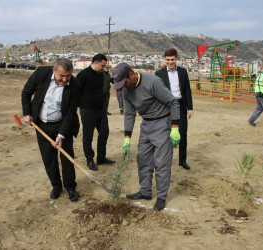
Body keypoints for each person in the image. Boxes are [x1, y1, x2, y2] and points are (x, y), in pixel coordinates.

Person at [112, 62, 181, 211]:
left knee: (161, 162)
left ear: (131, 74)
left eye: (124, 82)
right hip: (146, 125)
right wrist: (127, 139)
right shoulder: (126, 90)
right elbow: (129, 114)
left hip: (163, 122)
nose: (123, 86)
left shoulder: (153, 82)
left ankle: (161, 197)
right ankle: (145, 191)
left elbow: (173, 102)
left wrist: (175, 127)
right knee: (143, 159)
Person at [21, 58, 80, 202]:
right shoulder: (41, 73)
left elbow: (71, 112)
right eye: (62, 76)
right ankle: (56, 186)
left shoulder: (75, 84)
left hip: (62, 124)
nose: (65, 79)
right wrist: (28, 113)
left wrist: (61, 134)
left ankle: (70, 187)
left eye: (68, 75)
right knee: (48, 158)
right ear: (54, 70)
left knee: (67, 157)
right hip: (41, 125)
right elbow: (26, 92)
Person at [156, 48, 193, 170]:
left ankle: (182, 160)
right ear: (164, 59)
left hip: (180, 105)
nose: (170, 62)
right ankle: (166, 161)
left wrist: (190, 107)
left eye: (172, 59)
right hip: (166, 107)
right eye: (168, 60)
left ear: (176, 58)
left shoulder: (183, 72)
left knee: (182, 134)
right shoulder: (159, 74)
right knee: (166, 135)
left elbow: (187, 90)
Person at [76, 53, 115, 171]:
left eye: (105, 66)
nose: (104, 68)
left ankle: (101, 158)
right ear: (95, 63)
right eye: (102, 66)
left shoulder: (101, 75)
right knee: (88, 136)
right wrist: (81, 106)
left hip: (100, 110)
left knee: (104, 133)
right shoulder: (82, 75)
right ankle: (89, 159)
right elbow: (76, 92)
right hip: (88, 111)